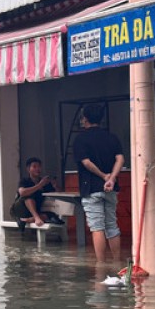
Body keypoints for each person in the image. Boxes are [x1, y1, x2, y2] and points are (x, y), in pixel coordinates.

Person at [73, 104, 125, 263]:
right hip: (111, 189)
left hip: (91, 188)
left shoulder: (80, 139)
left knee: (97, 227)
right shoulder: (111, 137)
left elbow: (86, 163)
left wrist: (104, 176)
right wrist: (112, 178)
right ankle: (117, 262)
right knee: (111, 225)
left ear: (85, 119)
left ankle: (101, 264)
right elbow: (120, 159)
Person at [10, 157, 64, 230]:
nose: (37, 169)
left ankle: (27, 220)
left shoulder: (44, 182)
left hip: (34, 211)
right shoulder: (25, 180)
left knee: (50, 215)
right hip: (20, 209)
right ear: (28, 169)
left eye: (39, 166)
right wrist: (39, 185)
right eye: (34, 166)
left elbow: (58, 193)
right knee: (28, 196)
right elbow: (22, 192)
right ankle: (36, 218)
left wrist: (56, 186)